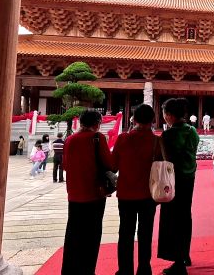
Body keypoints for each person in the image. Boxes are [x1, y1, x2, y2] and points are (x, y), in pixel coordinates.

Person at [61, 110, 114, 275]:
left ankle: (69, 270)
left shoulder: (70, 140)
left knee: (73, 234)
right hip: (94, 194)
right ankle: (87, 270)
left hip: (75, 193)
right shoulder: (98, 138)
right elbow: (109, 163)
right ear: (97, 123)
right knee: (92, 235)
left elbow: (65, 165)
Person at [113, 104, 161, 275]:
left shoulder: (123, 139)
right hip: (149, 195)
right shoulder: (156, 141)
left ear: (133, 119)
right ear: (153, 120)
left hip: (126, 193)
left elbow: (112, 165)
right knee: (145, 233)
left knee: (125, 233)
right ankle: (144, 269)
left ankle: (125, 270)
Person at [158, 98, 200, 275]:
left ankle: (178, 262)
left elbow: (165, 160)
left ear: (169, 115)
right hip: (189, 177)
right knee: (185, 215)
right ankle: (185, 254)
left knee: (172, 219)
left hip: (173, 180)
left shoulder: (168, 135)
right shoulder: (192, 131)